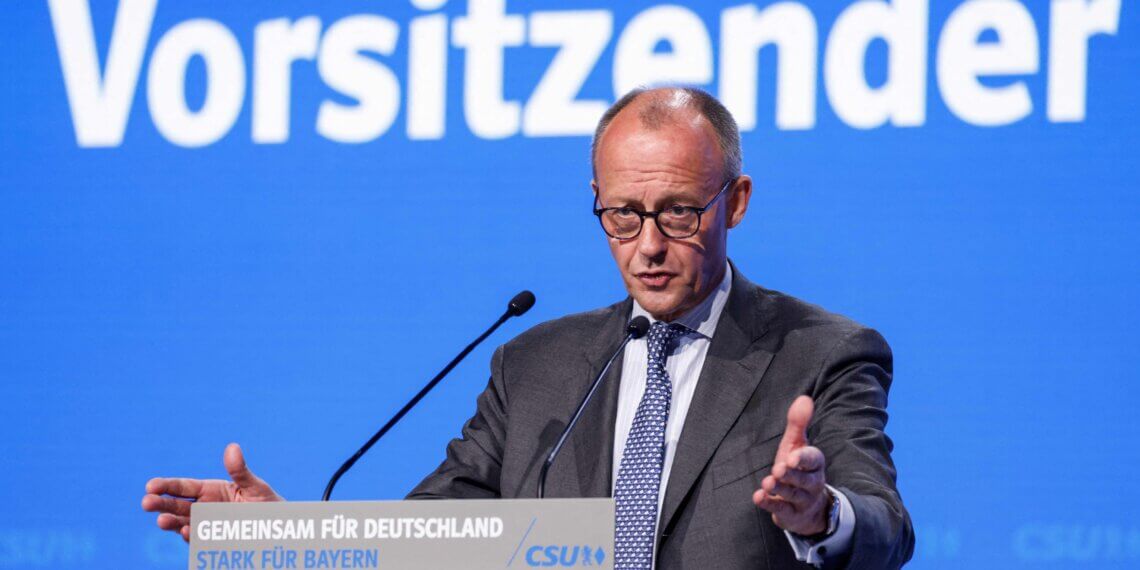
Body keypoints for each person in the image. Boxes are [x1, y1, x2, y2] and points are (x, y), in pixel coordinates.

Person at [143, 86, 914, 569]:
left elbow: (884, 527)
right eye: (621, 214)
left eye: (679, 211)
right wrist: (293, 544)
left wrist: (821, 515)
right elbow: (432, 535)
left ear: (735, 202)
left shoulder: (822, 352)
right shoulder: (535, 365)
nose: (647, 244)